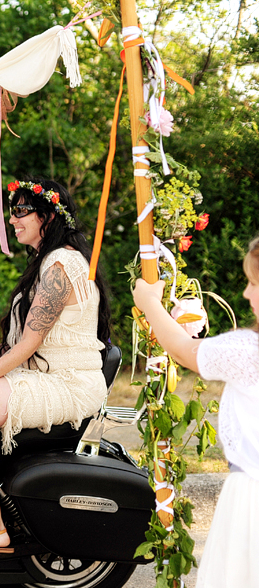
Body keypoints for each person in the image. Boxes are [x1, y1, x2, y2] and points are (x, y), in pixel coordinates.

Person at [0, 179, 112, 561]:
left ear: (47, 216)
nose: (12, 220)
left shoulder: (61, 265)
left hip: (68, 383)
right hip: (46, 375)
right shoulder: (47, 261)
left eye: (20, 211)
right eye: (11, 211)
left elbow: (29, 343)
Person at [133, 237, 259, 588]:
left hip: (252, 495)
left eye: (253, 283)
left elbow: (185, 351)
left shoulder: (249, 350)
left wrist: (150, 305)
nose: (247, 294)